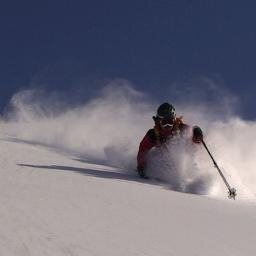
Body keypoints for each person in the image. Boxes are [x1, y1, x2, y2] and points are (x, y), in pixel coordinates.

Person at [137, 102, 203, 178]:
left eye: (170, 122)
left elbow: (197, 141)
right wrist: (141, 166)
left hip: (185, 160)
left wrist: (197, 133)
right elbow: (143, 149)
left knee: (189, 152)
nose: (167, 125)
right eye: (164, 122)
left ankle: (194, 175)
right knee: (154, 157)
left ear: (174, 120)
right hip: (163, 160)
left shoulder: (182, 129)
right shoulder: (153, 134)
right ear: (159, 121)